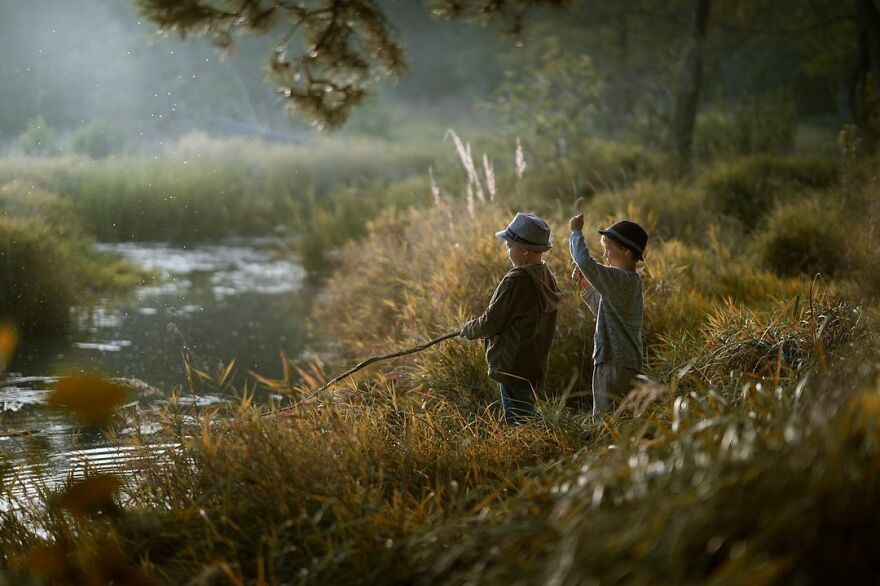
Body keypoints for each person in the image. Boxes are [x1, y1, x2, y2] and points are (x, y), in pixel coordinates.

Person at [461, 213, 562, 424]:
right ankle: (545, 442)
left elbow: (491, 322)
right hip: (534, 362)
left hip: (513, 362)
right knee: (527, 410)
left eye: (510, 246)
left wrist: (469, 329)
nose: (508, 251)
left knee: (520, 420)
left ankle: (538, 450)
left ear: (524, 250)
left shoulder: (517, 280)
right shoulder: (546, 275)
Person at [569, 213, 648, 418]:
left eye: (608, 249)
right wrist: (587, 285)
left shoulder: (620, 278)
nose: (605, 255)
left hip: (613, 362)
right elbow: (607, 312)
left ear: (626, 251)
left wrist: (576, 232)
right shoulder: (631, 281)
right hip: (625, 364)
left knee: (606, 424)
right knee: (623, 422)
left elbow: (585, 262)